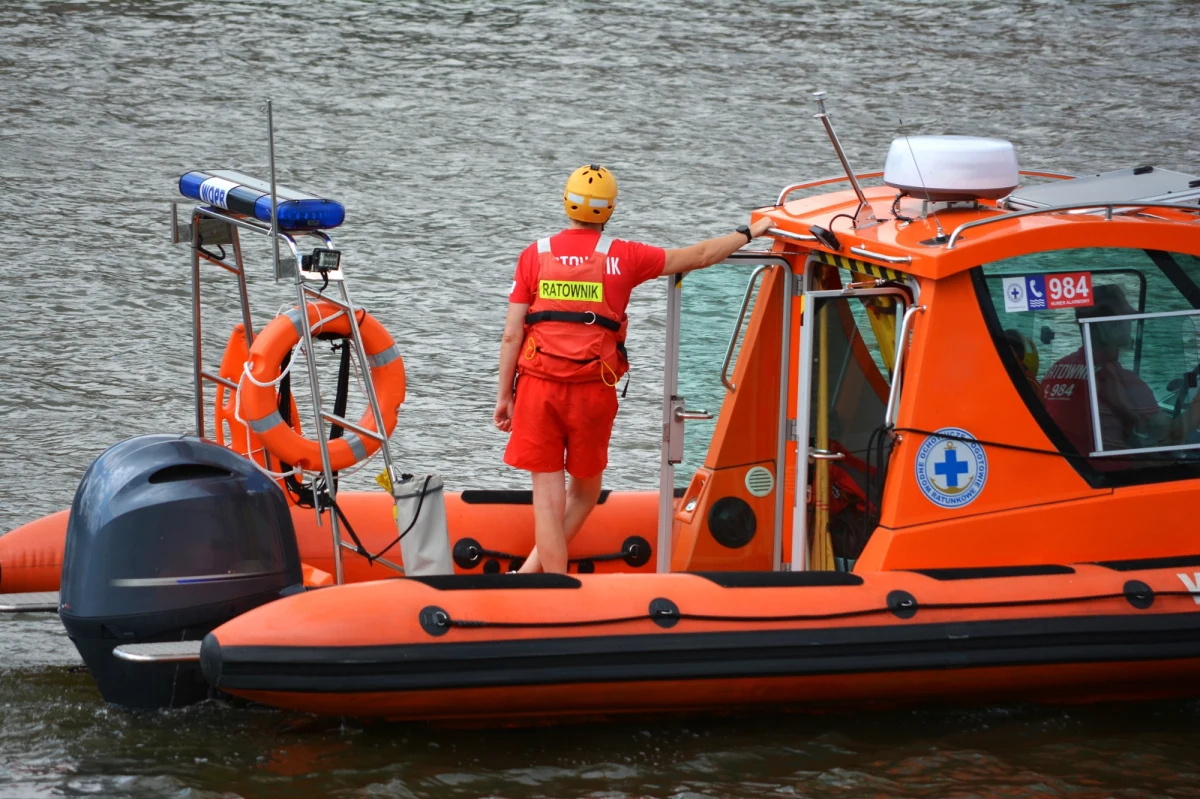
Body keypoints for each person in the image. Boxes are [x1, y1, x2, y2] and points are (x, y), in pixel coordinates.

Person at [493, 164, 774, 574]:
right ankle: (536, 579)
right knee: (585, 492)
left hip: (537, 389)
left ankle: (541, 585)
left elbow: (511, 336)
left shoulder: (534, 256)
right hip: (592, 391)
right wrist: (751, 231)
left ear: (566, 203)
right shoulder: (624, 256)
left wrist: (504, 396)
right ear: (609, 210)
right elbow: (697, 256)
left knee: (546, 501)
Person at [1042, 283, 1197, 457]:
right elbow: (1174, 435)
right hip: (1110, 471)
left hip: (1072, 466)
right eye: (1126, 317)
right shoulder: (1122, 381)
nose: (1131, 322)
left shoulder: (1056, 371)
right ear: (1106, 326)